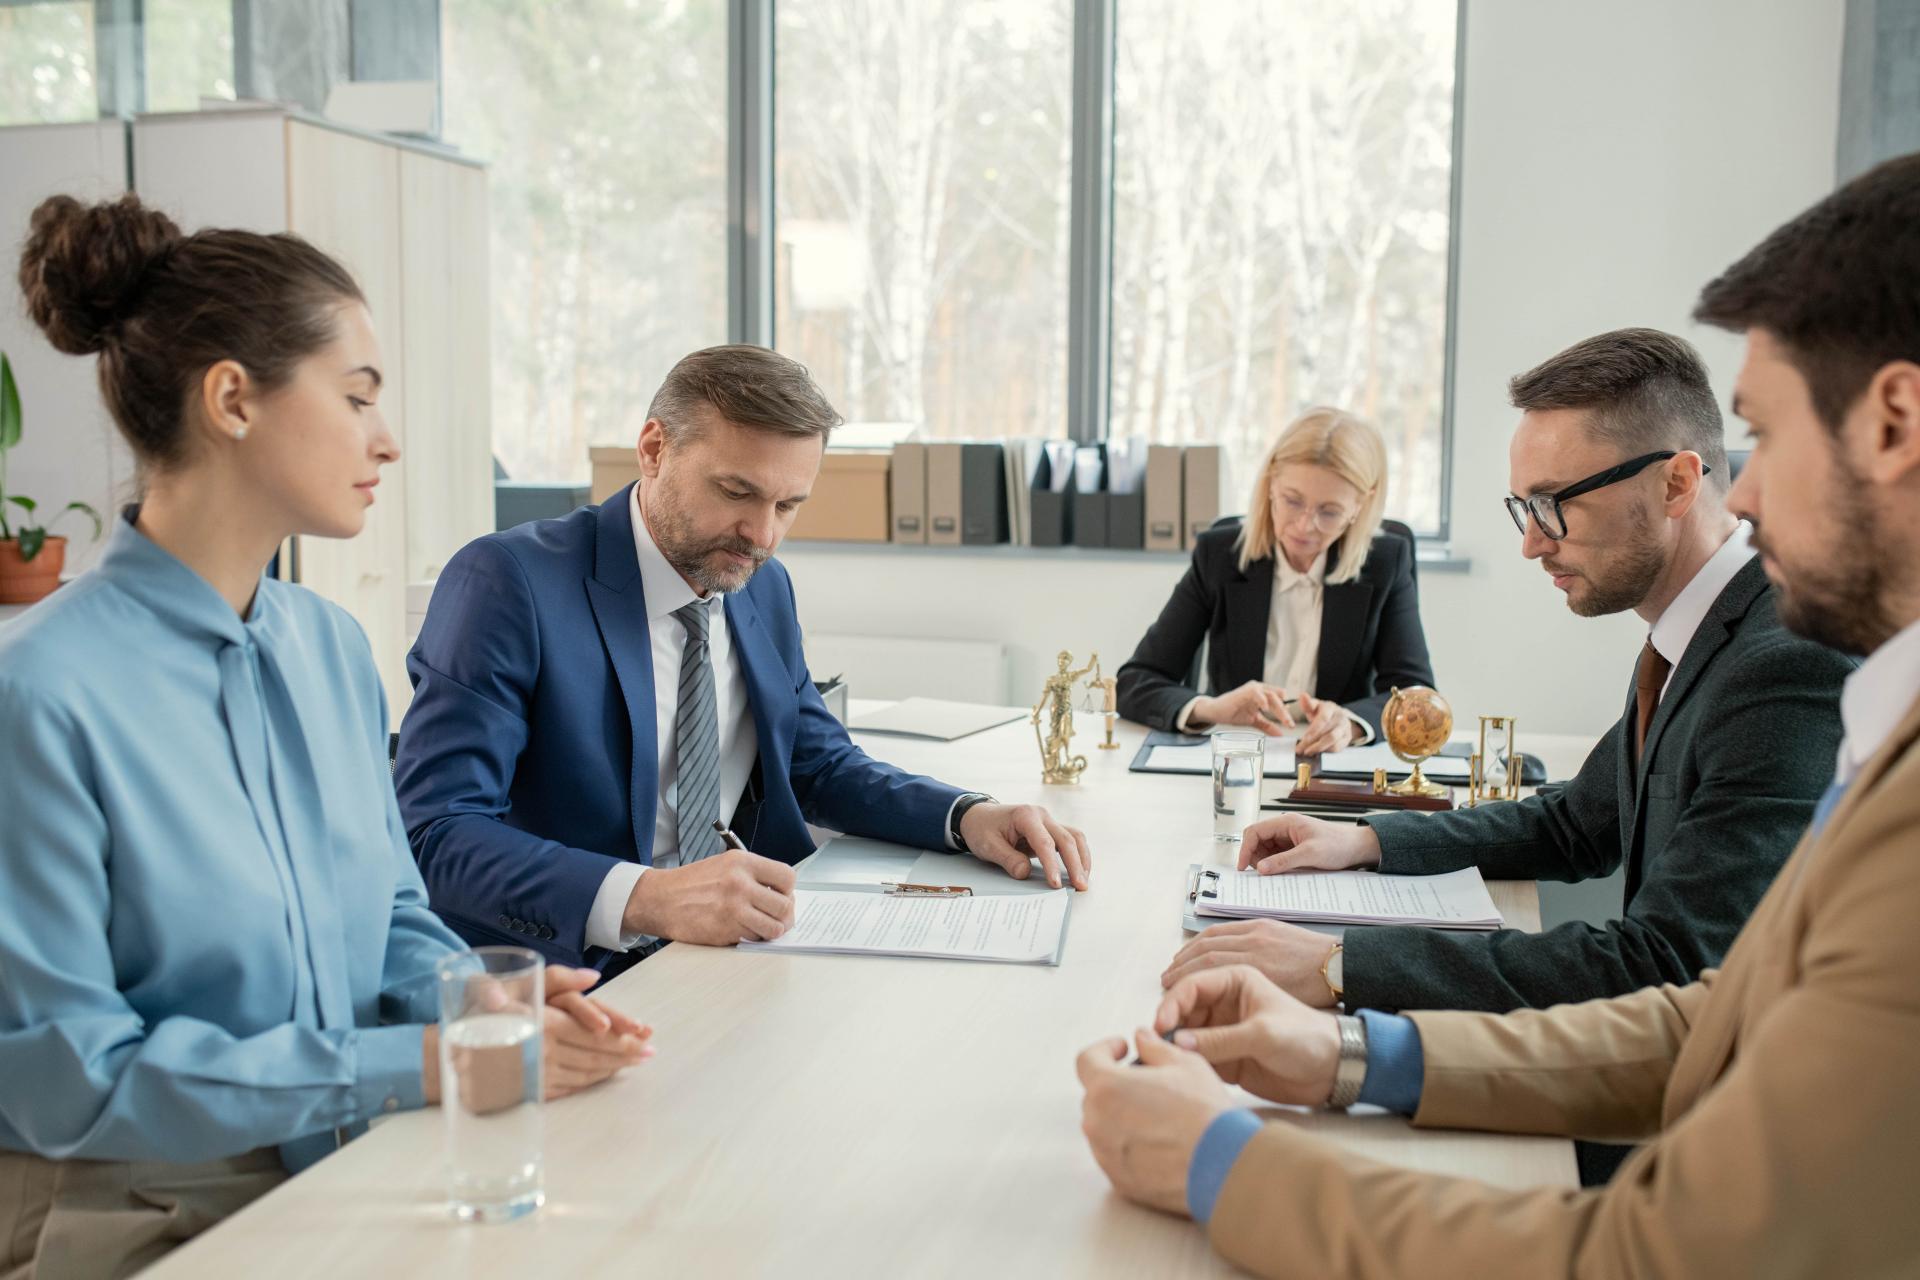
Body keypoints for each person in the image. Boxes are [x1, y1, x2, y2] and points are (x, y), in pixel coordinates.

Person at [1078, 152, 1920, 1277]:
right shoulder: (1770, 665)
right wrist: (1344, 1045)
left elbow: (1660, 1222)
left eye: (1765, 439)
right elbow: (1706, 1002)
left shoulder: (1793, 666)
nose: (1745, 490)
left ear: (1894, 420)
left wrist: (1232, 1153)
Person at [0, 195, 650, 1277]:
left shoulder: (330, 647)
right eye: (356, 398)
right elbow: (69, 1073)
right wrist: (427, 1060)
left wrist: (474, 996)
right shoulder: (41, 691)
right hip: (132, 1218)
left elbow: (392, 908)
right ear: (231, 399)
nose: (386, 438)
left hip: (348, 1162)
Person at [1163, 330, 1849, 1185]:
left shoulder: (1781, 664)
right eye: (1522, 507)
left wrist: (1341, 967)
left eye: (1555, 504)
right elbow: (1575, 823)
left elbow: (1666, 962)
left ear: (1677, 483)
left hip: (1705, 1147)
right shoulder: (1701, 637)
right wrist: (1367, 842)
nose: (1531, 543)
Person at [397, 345, 1091, 973]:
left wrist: (966, 816)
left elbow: (816, 763)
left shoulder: (764, 588)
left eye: (788, 505)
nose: (762, 535)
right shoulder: (508, 582)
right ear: (652, 449)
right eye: (736, 493)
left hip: (741, 953)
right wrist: (647, 898)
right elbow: (437, 833)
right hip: (577, 971)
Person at [1116, 407, 1434, 754]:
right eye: (1292, 501)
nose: (1304, 525)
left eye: (1328, 511)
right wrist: (1210, 708)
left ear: (1361, 504)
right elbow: (1135, 681)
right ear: (1270, 484)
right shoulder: (1220, 554)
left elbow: (1414, 695)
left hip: (1331, 768)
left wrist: (1351, 724)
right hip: (1235, 760)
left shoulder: (1386, 562)